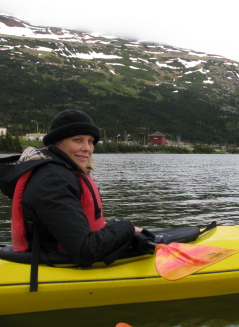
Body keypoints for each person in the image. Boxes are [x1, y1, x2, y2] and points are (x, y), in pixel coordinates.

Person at [0, 109, 143, 266]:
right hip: (54, 267)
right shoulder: (52, 180)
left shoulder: (59, 173)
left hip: (54, 257)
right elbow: (85, 251)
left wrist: (113, 228)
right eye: (77, 140)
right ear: (58, 142)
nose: (87, 148)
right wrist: (127, 227)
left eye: (90, 141)